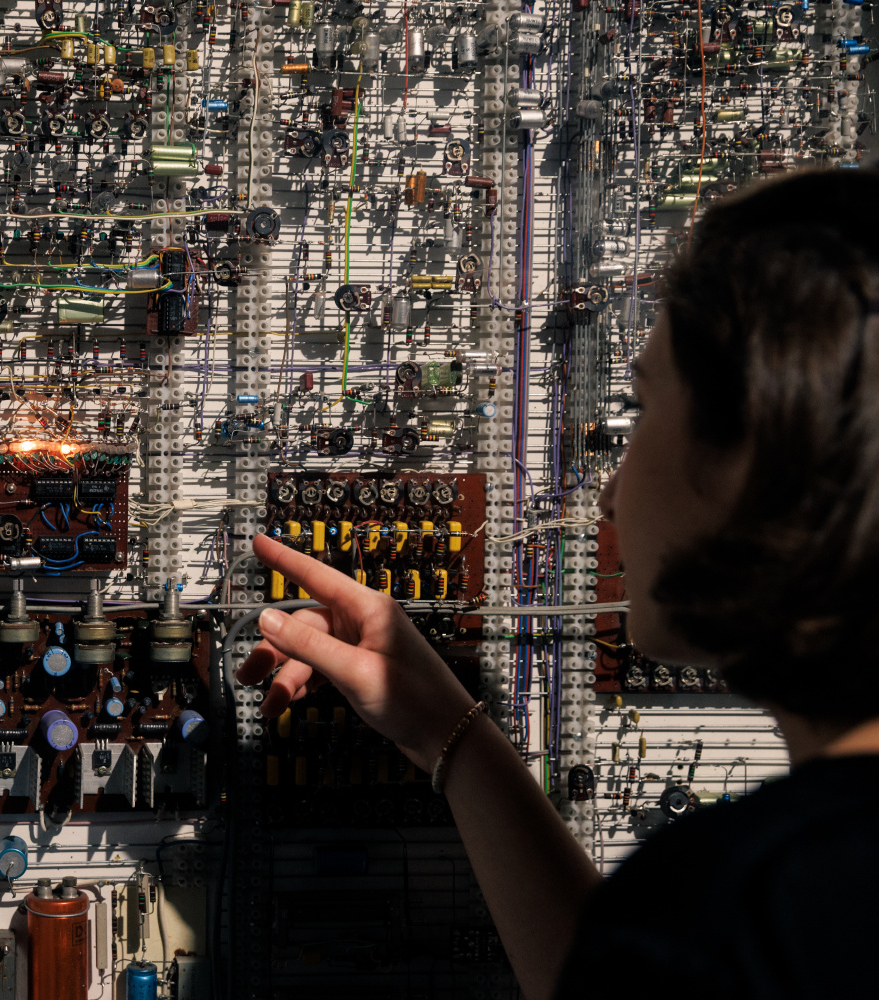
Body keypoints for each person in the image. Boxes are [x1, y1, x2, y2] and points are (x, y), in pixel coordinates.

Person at [238, 169, 879, 1000]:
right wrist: (446, 730)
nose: (610, 492)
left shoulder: (749, 909)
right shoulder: (761, 913)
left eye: (643, 409)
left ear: (761, 458)